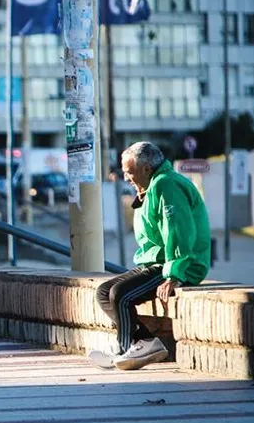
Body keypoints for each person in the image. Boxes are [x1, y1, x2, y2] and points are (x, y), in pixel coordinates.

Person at [90, 142, 210, 371]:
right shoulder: (151, 187)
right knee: (104, 292)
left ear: (146, 169)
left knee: (121, 295)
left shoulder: (167, 184)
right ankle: (144, 342)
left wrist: (174, 275)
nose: (126, 178)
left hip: (178, 265)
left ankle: (122, 348)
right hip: (155, 262)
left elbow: (178, 230)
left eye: (129, 172)